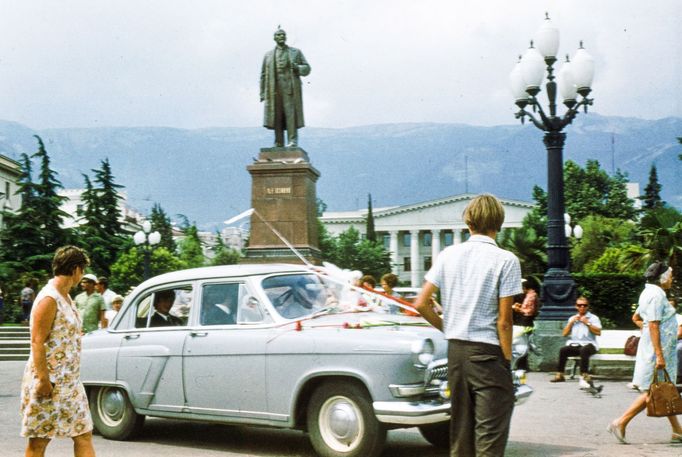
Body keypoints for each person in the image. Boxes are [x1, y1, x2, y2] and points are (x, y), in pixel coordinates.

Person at [415, 193, 522, 457]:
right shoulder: (506, 260)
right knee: (490, 435)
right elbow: (504, 321)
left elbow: (421, 303)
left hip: (456, 353)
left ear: (469, 222)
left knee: (460, 434)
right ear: (498, 224)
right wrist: (506, 360)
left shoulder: (448, 254)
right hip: (488, 354)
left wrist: (447, 326)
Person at [20, 245, 96, 457]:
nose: (81, 277)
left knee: (83, 433)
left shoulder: (66, 297)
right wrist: (44, 380)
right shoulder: (49, 298)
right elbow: (37, 342)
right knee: (39, 441)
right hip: (49, 381)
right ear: (75, 270)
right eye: (81, 270)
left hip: (69, 381)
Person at [608, 262, 682, 444]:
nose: (671, 279)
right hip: (659, 352)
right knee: (654, 391)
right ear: (662, 277)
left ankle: (677, 431)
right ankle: (621, 422)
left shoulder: (649, 292)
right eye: (670, 276)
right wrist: (659, 355)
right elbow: (654, 325)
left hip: (659, 349)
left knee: (663, 389)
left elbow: (642, 319)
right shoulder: (656, 295)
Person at [260, 27, 310, 147]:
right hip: (274, 90)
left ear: (286, 37)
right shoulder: (268, 55)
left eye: (283, 35)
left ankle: (292, 141)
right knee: (276, 115)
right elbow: (263, 75)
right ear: (274, 38)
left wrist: (297, 68)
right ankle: (278, 142)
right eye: (279, 35)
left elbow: (307, 68)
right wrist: (262, 93)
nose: (281, 37)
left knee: (290, 115)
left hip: (290, 89)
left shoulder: (295, 52)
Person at [549, 296, 602, 387]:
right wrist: (571, 323)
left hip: (590, 344)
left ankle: (584, 375)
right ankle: (560, 375)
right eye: (579, 305)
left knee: (584, 350)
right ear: (576, 306)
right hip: (575, 344)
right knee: (563, 350)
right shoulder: (572, 318)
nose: (582, 307)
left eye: (584, 305)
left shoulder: (593, 318)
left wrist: (587, 323)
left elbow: (598, 332)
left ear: (588, 306)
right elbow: (564, 334)